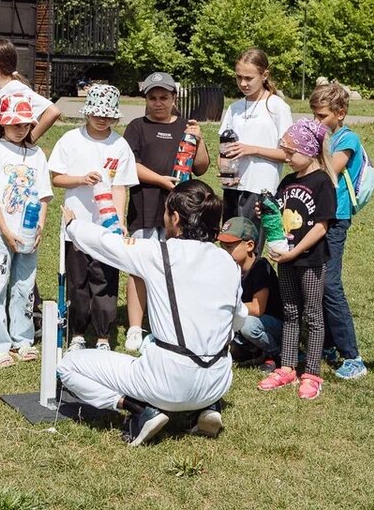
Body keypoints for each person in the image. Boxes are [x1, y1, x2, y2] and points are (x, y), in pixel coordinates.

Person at [57, 180, 246, 446]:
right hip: (217, 381)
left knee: (67, 366)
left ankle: (138, 408)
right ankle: (204, 408)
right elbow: (239, 319)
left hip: (166, 381)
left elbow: (107, 245)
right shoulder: (229, 262)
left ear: (176, 218)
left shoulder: (159, 253)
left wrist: (73, 225)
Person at [0, 38, 61, 324]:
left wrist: (27, 141)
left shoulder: (16, 90)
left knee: (13, 242)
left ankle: (22, 309)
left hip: (7, 183)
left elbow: (52, 111)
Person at [122, 72, 209, 352]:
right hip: (145, 208)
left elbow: (201, 168)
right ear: (145, 99)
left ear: (174, 98)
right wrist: (161, 180)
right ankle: (135, 327)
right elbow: (129, 165)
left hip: (180, 213)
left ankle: (170, 324)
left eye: (164, 97)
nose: (158, 103)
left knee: (177, 268)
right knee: (139, 268)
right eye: (152, 98)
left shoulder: (187, 126)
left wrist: (201, 140)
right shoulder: (137, 127)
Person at [47, 84, 138, 352]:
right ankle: (77, 333)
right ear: (87, 113)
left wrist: (118, 221)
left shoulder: (120, 145)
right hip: (75, 226)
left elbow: (120, 186)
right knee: (78, 282)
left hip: (105, 229)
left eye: (108, 116)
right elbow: (56, 178)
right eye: (98, 114)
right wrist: (81, 179)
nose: (102, 119)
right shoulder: (70, 140)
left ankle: (103, 337)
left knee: (105, 281)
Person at [257, 119, 337, 401]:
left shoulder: (323, 182)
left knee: (312, 315)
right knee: (290, 311)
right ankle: (287, 366)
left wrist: (295, 251)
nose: (287, 158)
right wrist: (265, 211)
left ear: (310, 150)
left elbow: (321, 226)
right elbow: (278, 217)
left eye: (291, 153)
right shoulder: (289, 181)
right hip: (286, 259)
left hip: (310, 260)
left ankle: (312, 372)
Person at [0, 93, 53, 366]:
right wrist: (5, 230)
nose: (21, 129)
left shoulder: (37, 153)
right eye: (16, 124)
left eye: (26, 125)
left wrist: (41, 224)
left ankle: (23, 338)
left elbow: (44, 194)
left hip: (29, 231)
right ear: (3, 124)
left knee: (25, 285)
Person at [309, 80, 368, 380]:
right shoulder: (323, 136)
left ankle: (353, 356)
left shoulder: (348, 139)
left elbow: (330, 169)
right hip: (318, 215)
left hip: (336, 219)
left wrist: (310, 150)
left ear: (340, 113)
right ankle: (327, 346)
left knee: (330, 284)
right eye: (314, 116)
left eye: (322, 117)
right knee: (315, 282)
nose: (317, 122)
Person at [219, 48, 293, 221]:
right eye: (239, 77)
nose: (243, 83)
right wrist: (225, 172)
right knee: (229, 243)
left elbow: (288, 154)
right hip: (232, 189)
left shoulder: (277, 107)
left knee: (250, 246)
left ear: (264, 75)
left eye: (249, 78)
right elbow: (223, 150)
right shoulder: (234, 108)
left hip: (260, 189)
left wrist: (252, 149)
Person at [217, 216, 282, 365]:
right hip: (244, 320)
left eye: (229, 246)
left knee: (248, 326)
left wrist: (224, 306)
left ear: (250, 245)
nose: (224, 251)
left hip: (272, 324)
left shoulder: (260, 267)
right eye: (222, 246)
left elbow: (257, 309)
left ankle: (277, 353)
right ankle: (253, 350)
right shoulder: (229, 268)